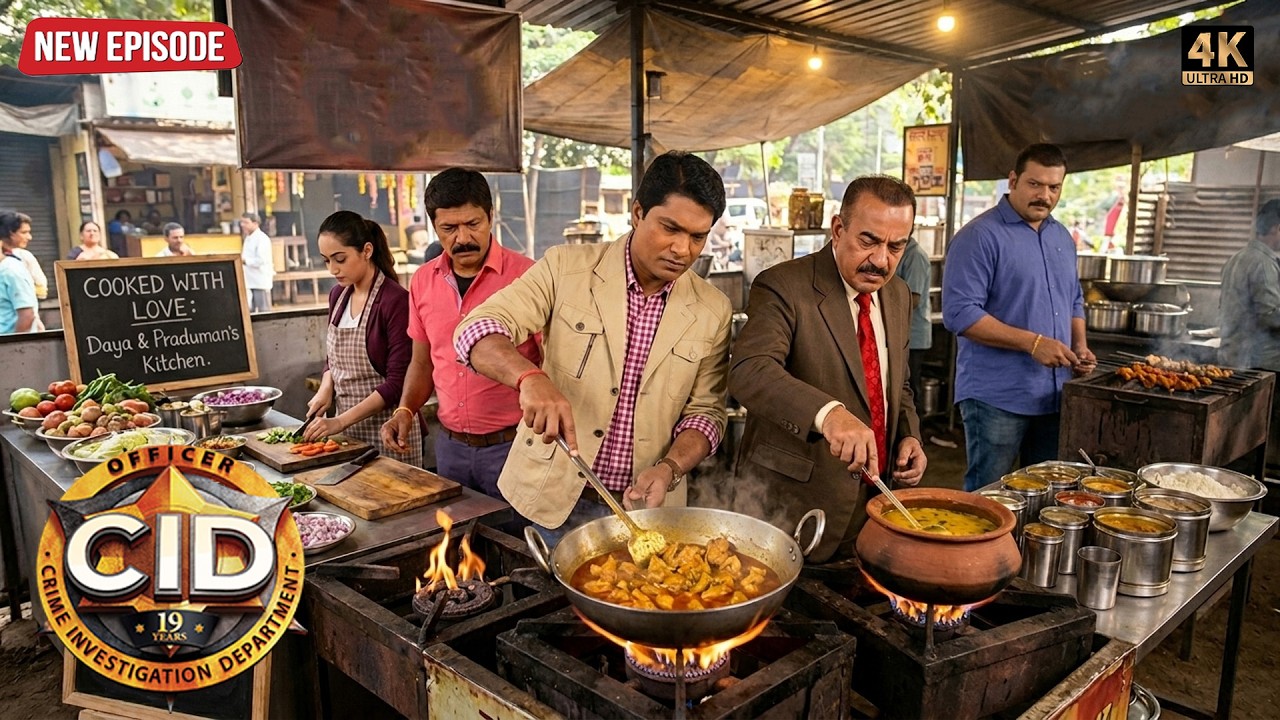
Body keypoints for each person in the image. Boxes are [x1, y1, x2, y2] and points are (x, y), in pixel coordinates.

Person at [452, 151, 732, 533]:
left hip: (646, 511)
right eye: (670, 228)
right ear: (637, 213)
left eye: (698, 236)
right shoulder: (565, 268)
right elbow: (476, 329)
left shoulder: (713, 309)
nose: (682, 249)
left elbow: (707, 413)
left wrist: (670, 468)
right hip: (550, 501)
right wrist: (528, 379)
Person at [728, 176, 927, 563]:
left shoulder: (898, 294)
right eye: (868, 241)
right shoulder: (784, 285)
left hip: (876, 503)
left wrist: (910, 436)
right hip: (795, 505)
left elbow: (896, 384)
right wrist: (829, 414)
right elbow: (750, 370)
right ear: (838, 229)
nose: (881, 260)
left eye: (896, 246)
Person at [943, 143, 1096, 492]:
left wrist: (1080, 348)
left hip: (1053, 396)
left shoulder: (1061, 237)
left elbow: (1073, 298)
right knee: (989, 497)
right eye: (1035, 184)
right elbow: (959, 313)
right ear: (1013, 180)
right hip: (997, 397)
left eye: (1054, 187)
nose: (1044, 195)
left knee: (1045, 497)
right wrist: (1033, 343)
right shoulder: (979, 236)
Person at [380, 169, 540, 493]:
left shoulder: (528, 276)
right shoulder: (423, 280)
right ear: (434, 227)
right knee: (454, 539)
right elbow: (423, 362)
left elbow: (552, 362)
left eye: (473, 224)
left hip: (515, 447)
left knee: (514, 540)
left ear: (491, 216)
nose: (463, 238)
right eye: (449, 228)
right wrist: (405, 409)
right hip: (450, 448)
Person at [303, 211, 420, 465]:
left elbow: (397, 383)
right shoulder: (338, 295)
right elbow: (333, 358)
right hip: (347, 431)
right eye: (326, 261)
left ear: (366, 251)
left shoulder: (395, 301)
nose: (333, 269)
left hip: (388, 429)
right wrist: (326, 390)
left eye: (340, 259)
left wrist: (339, 421)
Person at [1219, 199, 1280, 371]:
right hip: (1260, 365)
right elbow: (1269, 315)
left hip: (1231, 356)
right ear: (1277, 228)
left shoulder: (1236, 258)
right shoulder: (1263, 263)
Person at [897, 233, 933, 418]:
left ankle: (914, 433)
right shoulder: (899, 253)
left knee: (909, 386)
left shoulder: (915, 256)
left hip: (913, 335)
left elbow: (914, 299)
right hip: (901, 334)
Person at [0, 211, 38, 334]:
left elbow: (27, 315)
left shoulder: (11, 269)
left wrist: (14, 347)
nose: (29, 237)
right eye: (24, 232)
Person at [240, 212, 275, 312]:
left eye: (246, 222)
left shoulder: (262, 239)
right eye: (242, 222)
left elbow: (261, 260)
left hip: (260, 280)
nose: (243, 225)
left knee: (263, 311)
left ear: (255, 224)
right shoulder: (248, 238)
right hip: (249, 280)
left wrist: (245, 261)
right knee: (250, 312)